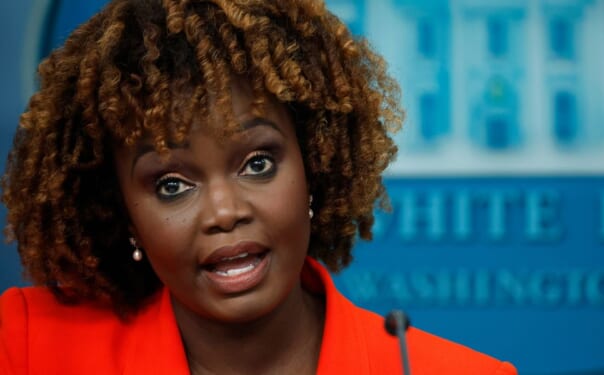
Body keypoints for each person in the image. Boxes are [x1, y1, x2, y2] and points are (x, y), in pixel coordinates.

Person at [0, 0, 516, 374]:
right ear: (123, 212)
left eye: (258, 163)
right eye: (172, 184)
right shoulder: (26, 346)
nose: (225, 211)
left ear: (313, 165)